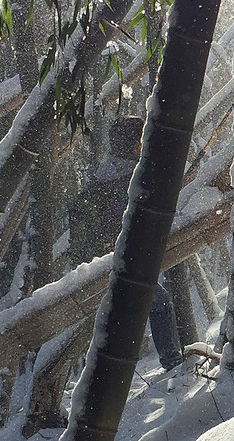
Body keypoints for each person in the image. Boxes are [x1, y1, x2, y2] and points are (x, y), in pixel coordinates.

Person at [68, 115, 181, 369]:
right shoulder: (127, 178)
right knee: (159, 304)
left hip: (102, 262)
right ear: (135, 145)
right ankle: (172, 363)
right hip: (118, 262)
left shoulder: (104, 174)